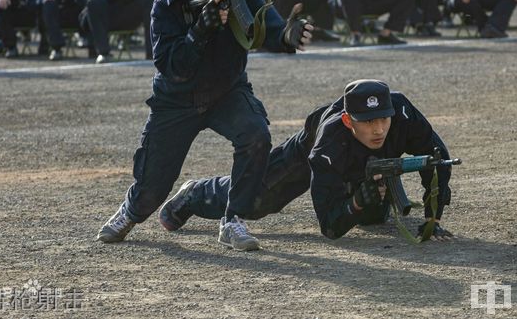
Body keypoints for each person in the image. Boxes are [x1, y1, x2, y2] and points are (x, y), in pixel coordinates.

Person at [96, 0, 313, 251]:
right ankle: (130, 212)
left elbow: (268, 29)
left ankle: (233, 218)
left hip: (227, 92)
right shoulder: (168, 5)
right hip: (176, 100)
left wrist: (288, 38)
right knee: (152, 189)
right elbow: (172, 66)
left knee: (255, 135)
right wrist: (200, 30)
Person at [158, 79, 455, 242]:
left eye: (383, 119)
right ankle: (197, 192)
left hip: (364, 162)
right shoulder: (329, 141)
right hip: (307, 151)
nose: (378, 129)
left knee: (374, 218)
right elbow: (329, 227)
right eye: (368, 122)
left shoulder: (402, 114)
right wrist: (355, 203)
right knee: (258, 202)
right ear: (349, 121)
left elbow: (438, 160)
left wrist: (434, 218)